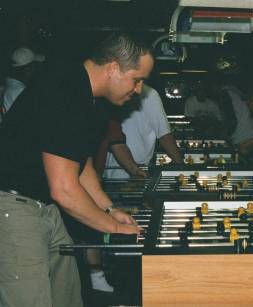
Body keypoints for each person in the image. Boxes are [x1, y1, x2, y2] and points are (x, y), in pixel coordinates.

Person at [0, 32, 152, 307]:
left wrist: (109, 209)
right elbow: (64, 189)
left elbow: (81, 168)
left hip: (45, 207)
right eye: (137, 80)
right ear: (114, 68)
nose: (139, 89)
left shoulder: (86, 97)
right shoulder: (64, 91)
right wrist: (113, 228)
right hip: (14, 207)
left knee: (67, 298)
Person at [104, 84, 183, 179]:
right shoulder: (150, 94)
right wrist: (181, 167)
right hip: (134, 170)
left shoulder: (115, 91)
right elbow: (164, 136)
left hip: (112, 169)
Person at [0, 47, 45, 122]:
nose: (36, 69)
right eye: (34, 66)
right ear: (28, 69)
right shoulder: (21, 91)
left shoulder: (6, 84)